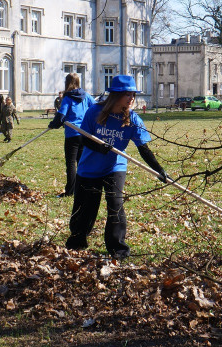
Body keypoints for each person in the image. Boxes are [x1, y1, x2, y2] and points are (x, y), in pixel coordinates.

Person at [65, 75, 168, 260]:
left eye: (133, 95)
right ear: (115, 95)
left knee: (115, 204)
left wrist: (159, 170)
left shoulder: (133, 119)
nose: (132, 99)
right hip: (89, 168)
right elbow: (83, 138)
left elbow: (143, 148)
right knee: (85, 208)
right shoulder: (94, 112)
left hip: (115, 166)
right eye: (127, 94)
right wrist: (98, 146)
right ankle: (76, 243)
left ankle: (118, 249)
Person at [48, 72, 92, 197]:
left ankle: (70, 191)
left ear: (67, 83)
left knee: (71, 163)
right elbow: (95, 109)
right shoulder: (87, 96)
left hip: (72, 135)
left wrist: (53, 124)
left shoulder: (67, 98)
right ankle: (83, 189)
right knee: (82, 162)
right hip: (84, 134)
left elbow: (61, 115)